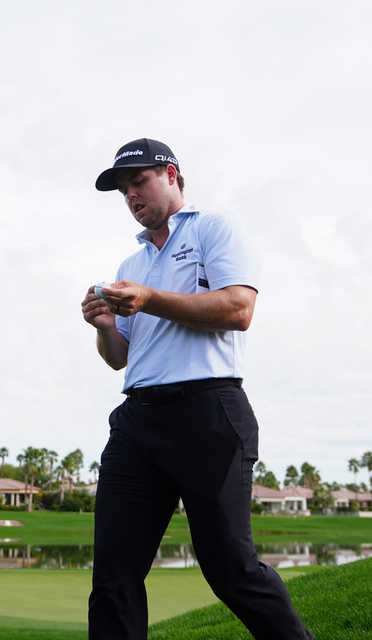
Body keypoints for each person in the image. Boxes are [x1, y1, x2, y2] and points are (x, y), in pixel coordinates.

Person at [81, 138, 314, 639]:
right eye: (123, 190)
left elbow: (237, 310)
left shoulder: (214, 227)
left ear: (171, 175)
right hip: (137, 422)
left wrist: (149, 299)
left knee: (231, 570)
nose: (131, 196)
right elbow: (122, 358)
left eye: (138, 182)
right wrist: (104, 325)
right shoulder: (131, 265)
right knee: (114, 577)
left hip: (207, 412)